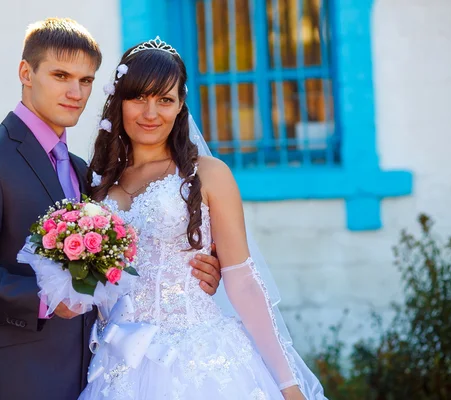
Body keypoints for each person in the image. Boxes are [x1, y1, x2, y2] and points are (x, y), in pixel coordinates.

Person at [0, 19, 221, 400]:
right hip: (16, 379)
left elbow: (109, 262)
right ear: (26, 73)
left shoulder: (83, 169)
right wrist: (46, 300)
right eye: (60, 75)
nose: (75, 92)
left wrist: (195, 269)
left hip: (92, 375)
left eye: (86, 80)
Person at [80, 37, 327, 399]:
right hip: (117, 362)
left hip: (199, 360)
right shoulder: (96, 184)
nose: (151, 113)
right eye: (138, 98)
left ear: (180, 106)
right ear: (119, 102)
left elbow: (242, 281)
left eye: (165, 99)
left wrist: (289, 384)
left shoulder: (207, 174)